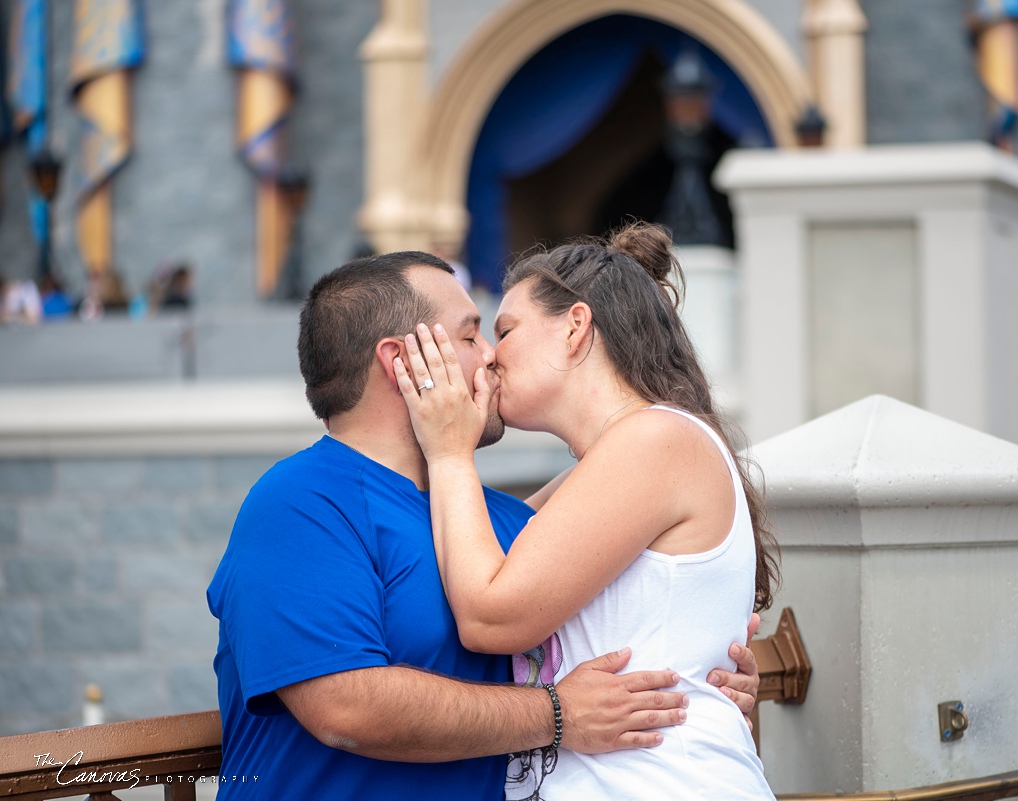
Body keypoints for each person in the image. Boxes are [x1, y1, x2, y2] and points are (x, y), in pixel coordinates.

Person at [205, 250, 760, 799]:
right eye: (471, 337)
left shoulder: (501, 517)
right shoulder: (301, 502)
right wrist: (557, 713)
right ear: (404, 361)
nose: (491, 356)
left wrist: (705, 668)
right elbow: (345, 708)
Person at [396, 222, 779, 799]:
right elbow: (475, 560)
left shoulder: (654, 441)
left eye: (506, 329)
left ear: (575, 326)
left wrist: (450, 454)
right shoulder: (607, 467)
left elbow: (489, 616)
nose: (492, 356)